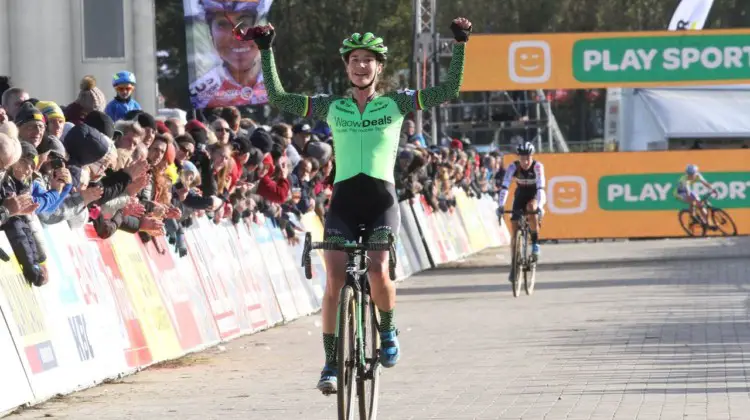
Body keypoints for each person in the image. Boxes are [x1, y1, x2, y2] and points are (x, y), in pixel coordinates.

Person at [248, 15, 472, 393]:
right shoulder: (333, 107)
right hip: (344, 202)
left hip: (382, 200)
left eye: (368, 59)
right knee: (335, 280)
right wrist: (266, 51)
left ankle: (386, 330)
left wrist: (461, 44)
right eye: (354, 60)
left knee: (378, 269)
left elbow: (449, 89)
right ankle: (330, 364)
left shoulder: (397, 104)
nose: (361, 65)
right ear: (347, 66)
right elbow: (279, 99)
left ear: (379, 66)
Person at [188, 0, 271, 109]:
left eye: (245, 23)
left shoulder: (281, 81)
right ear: (211, 36)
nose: (235, 36)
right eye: (223, 25)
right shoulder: (201, 94)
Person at [497, 142, 546, 280]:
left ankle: (535, 244)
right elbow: (505, 187)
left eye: (528, 158)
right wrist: (501, 205)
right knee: (514, 227)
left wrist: (540, 206)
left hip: (534, 194)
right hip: (520, 194)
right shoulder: (513, 167)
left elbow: (540, 188)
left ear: (532, 156)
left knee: (531, 209)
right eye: (522, 158)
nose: (525, 161)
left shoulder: (537, 166)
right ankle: (514, 265)